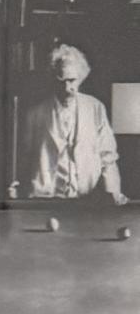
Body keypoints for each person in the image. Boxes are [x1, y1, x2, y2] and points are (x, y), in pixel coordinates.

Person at [23, 41, 124, 201]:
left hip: (85, 198)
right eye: (60, 81)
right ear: (52, 80)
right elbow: (24, 157)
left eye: (71, 80)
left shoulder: (95, 107)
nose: (66, 87)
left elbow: (108, 157)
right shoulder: (36, 113)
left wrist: (114, 192)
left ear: (81, 78)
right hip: (45, 198)